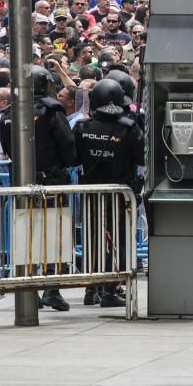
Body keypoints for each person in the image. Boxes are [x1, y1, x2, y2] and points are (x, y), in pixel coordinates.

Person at [0, 65, 77, 312]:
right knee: (54, 234)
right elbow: (67, 144)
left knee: (27, 235)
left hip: (23, 181)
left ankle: (29, 289)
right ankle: (51, 288)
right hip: (51, 180)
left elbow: (8, 149)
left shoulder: (9, 113)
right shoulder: (52, 110)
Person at [73, 79, 144, 308]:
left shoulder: (82, 128)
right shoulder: (129, 129)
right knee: (119, 241)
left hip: (91, 193)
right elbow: (142, 158)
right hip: (120, 195)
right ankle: (111, 289)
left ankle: (92, 287)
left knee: (93, 239)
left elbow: (73, 158)